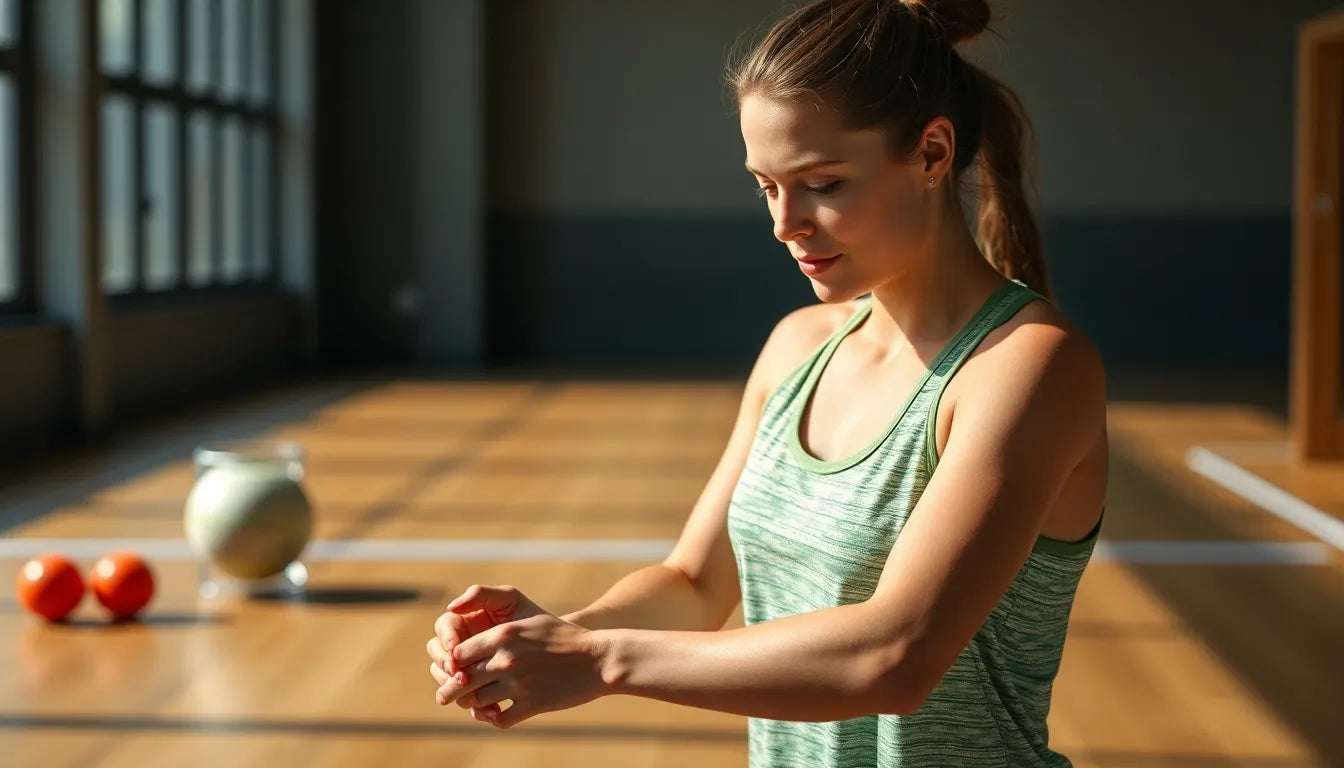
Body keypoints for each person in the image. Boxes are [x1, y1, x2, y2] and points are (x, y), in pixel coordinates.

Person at [426, 0, 1107, 764]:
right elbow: (693, 583)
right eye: (766, 186)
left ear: (931, 153)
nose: (786, 223)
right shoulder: (797, 347)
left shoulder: (1029, 367)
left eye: (821, 183)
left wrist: (600, 660)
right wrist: (557, 635)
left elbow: (893, 656)